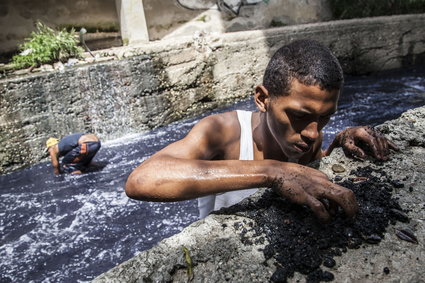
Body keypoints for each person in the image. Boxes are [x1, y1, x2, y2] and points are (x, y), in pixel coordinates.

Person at [125, 40, 398, 222]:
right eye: (300, 116)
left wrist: (339, 141)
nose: (313, 133)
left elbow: (305, 173)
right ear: (262, 99)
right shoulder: (222, 131)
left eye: (325, 117)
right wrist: (273, 171)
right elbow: (142, 179)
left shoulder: (308, 138)